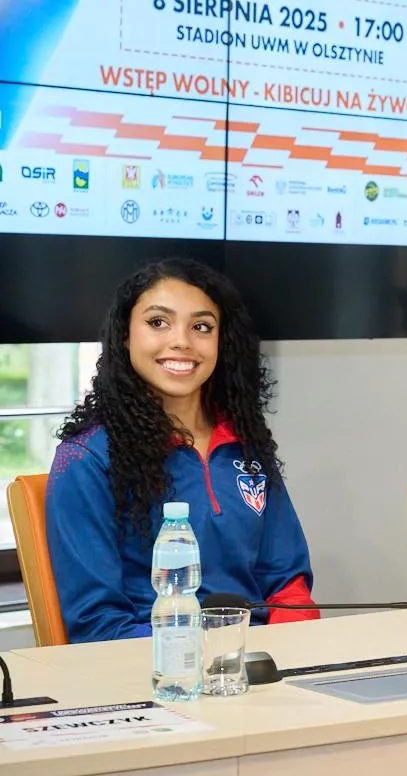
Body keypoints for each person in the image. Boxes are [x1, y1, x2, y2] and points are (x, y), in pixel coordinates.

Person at [46, 259, 319, 643]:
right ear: (125, 336)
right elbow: (97, 625)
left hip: (256, 656)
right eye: (158, 322)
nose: (182, 342)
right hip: (153, 660)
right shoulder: (84, 458)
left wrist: (294, 650)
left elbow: (287, 584)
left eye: (201, 327)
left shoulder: (245, 442)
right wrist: (209, 654)